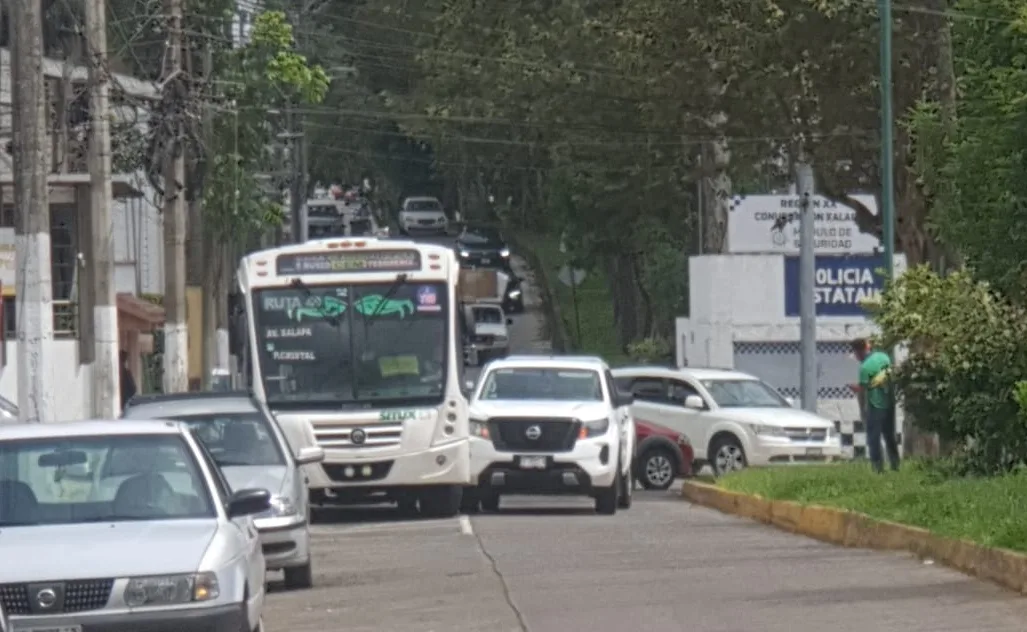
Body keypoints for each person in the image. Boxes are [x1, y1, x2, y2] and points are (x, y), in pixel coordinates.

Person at [851, 338, 900, 473]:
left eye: (855, 354)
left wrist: (857, 390)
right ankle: (895, 465)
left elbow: (862, 390)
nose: (856, 357)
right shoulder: (884, 357)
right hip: (889, 403)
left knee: (874, 438)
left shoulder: (865, 367)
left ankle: (878, 469)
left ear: (859, 351)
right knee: (890, 436)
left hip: (875, 405)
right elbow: (888, 374)